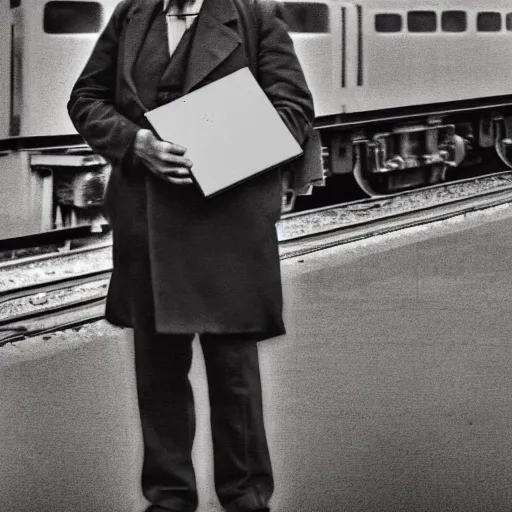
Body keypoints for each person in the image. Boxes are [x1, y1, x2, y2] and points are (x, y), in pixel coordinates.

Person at [67, 0, 318, 509]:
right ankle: (168, 498)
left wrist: (205, 148)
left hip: (226, 226)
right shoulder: (133, 14)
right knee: (157, 375)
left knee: (234, 377)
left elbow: (293, 112)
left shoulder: (254, 16)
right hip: (147, 228)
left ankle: (246, 498)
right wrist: (135, 142)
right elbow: (86, 97)